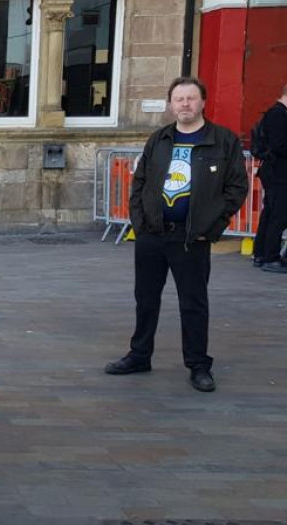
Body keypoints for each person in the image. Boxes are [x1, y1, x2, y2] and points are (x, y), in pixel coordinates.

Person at [105, 77, 248, 393]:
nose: (185, 104)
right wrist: (140, 226)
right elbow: (139, 184)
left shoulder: (223, 141)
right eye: (179, 99)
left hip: (191, 237)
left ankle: (198, 364)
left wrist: (209, 228)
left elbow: (237, 188)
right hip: (153, 236)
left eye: (191, 98)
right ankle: (140, 354)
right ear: (171, 104)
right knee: (145, 299)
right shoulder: (159, 139)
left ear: (203, 102)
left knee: (193, 302)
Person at [252, 84, 287, 273]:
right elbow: (279, 145)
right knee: (278, 216)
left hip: (275, 172)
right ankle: (270, 257)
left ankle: (261, 254)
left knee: (271, 214)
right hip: (279, 174)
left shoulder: (277, 113)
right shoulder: (278, 114)